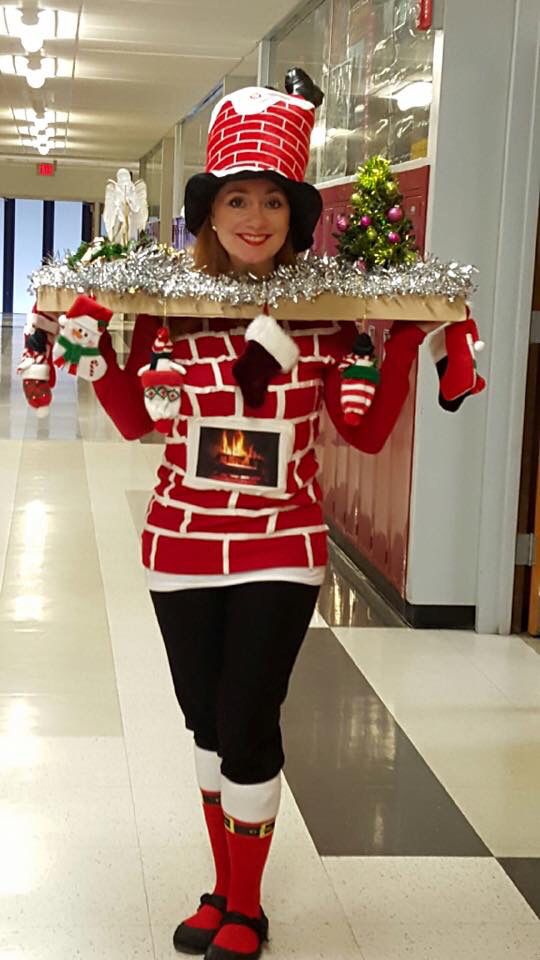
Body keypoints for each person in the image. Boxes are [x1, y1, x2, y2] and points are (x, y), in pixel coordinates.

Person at [90, 73, 433, 960]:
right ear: (208, 211)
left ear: (295, 213)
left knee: (249, 714)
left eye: (272, 200)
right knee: (204, 719)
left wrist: (399, 345)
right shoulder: (174, 312)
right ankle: (222, 888)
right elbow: (135, 422)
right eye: (236, 198)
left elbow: (362, 427)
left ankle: (246, 909)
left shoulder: (322, 318)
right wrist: (96, 353)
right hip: (180, 543)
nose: (254, 216)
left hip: (280, 546)